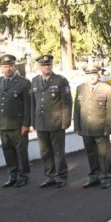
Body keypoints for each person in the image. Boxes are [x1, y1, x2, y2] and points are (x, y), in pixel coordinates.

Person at [31, 54, 72, 188]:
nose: (46, 67)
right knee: (45, 152)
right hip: (41, 123)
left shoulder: (60, 81)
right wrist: (33, 122)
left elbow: (67, 102)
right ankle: (50, 177)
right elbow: (33, 103)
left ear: (52, 65)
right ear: (39, 66)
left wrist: (66, 121)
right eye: (43, 65)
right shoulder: (35, 81)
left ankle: (61, 176)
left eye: (48, 65)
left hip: (56, 122)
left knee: (58, 152)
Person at [0, 55, 32, 188]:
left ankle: (23, 176)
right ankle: (12, 175)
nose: (8, 69)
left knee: (21, 152)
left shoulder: (24, 83)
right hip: (3, 125)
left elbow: (28, 105)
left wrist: (26, 124)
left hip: (18, 125)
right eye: (5, 66)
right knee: (8, 151)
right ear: (1, 68)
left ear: (15, 67)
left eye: (10, 66)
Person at [74, 65, 111, 189]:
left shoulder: (106, 88)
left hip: (100, 128)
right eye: (89, 75)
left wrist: (108, 128)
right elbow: (77, 109)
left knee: (104, 154)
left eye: (94, 74)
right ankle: (94, 176)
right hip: (86, 128)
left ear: (98, 75)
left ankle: (106, 177)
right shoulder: (80, 88)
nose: (91, 77)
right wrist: (77, 126)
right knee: (91, 154)